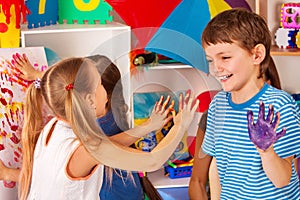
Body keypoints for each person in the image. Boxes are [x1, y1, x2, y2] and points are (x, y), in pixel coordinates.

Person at [17, 56, 198, 199]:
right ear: (89, 100)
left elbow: (107, 146)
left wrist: (147, 127)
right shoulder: (88, 150)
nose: (106, 90)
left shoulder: (55, 125)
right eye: (101, 85)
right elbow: (152, 161)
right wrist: (180, 125)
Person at [200, 8, 300, 199]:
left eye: (225, 57)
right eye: (210, 60)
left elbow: (283, 180)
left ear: (257, 55)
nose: (216, 68)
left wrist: (266, 150)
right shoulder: (217, 105)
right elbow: (217, 166)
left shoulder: (279, 105)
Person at [188, 56, 283, 200]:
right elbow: (197, 181)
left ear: (269, 83)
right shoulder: (215, 115)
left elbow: (285, 181)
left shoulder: (281, 120)